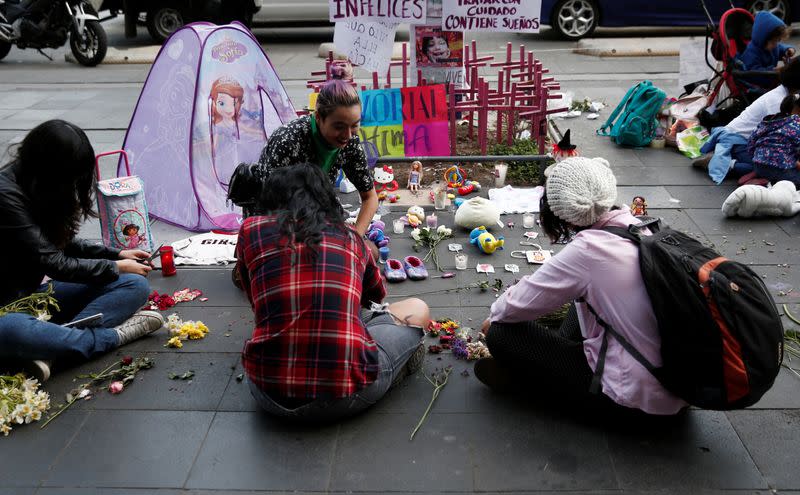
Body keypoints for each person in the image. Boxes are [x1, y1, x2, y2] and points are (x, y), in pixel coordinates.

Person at [474, 157, 687, 416]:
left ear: (557, 209)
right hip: (679, 387)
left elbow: (515, 306)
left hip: (634, 403)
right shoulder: (643, 227)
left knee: (501, 333)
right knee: (581, 303)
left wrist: (493, 317)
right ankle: (556, 365)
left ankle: (537, 382)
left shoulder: (587, 251)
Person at [237, 163, 428, 421]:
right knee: (417, 310)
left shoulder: (250, 230)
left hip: (268, 392)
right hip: (349, 395)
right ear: (326, 198)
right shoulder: (351, 238)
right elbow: (375, 298)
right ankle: (395, 371)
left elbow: (254, 300)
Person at [0, 120, 164, 382]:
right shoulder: (5, 195)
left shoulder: (33, 183)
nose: (74, 186)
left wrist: (114, 255)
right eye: (71, 178)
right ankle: (109, 338)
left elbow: (59, 244)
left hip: (32, 298)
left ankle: (49, 348)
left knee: (133, 285)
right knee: (10, 330)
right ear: (51, 172)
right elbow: (55, 263)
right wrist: (115, 266)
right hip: (6, 311)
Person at [253, 80, 377, 236]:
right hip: (276, 223)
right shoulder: (287, 141)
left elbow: (370, 197)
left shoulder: (350, 142)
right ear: (318, 117)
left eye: (354, 125)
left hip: (317, 218)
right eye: (338, 127)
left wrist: (357, 240)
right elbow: (270, 207)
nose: (347, 135)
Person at [694, 56, 800, 184]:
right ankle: (728, 164)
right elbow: (775, 144)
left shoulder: (787, 95)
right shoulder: (778, 101)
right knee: (771, 165)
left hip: (752, 142)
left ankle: (757, 174)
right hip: (738, 141)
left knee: (776, 163)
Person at [747, 93, 800, 186]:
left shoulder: (769, 120)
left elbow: (751, 141)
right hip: (781, 168)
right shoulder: (796, 125)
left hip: (758, 163)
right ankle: (771, 183)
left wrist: (756, 157)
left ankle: (763, 177)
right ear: (798, 110)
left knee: (757, 166)